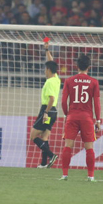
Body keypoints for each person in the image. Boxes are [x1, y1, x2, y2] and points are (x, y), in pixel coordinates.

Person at [60, 54, 101, 182]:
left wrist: (67, 115)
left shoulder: (69, 80)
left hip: (72, 117)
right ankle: (90, 176)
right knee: (89, 147)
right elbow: (97, 103)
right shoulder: (94, 82)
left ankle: (65, 175)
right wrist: (98, 120)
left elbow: (63, 102)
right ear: (89, 67)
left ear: (76, 66)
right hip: (87, 118)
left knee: (68, 146)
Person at [29, 40, 60, 168]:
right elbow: (52, 62)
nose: (44, 71)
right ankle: (43, 163)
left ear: (48, 70)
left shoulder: (49, 82)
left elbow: (52, 98)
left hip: (47, 110)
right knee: (44, 137)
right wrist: (47, 50)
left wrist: (45, 112)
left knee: (33, 136)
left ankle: (51, 155)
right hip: (54, 112)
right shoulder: (56, 78)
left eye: (45, 68)